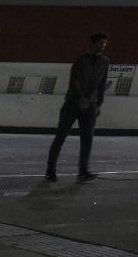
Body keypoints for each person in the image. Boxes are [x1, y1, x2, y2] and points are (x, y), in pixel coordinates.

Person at [46, 32, 111, 182]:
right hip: (73, 103)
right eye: (101, 43)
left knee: (87, 138)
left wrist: (98, 103)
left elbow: (102, 84)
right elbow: (74, 81)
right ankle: (50, 170)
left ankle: (83, 171)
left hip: (91, 105)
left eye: (105, 43)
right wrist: (81, 98)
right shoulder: (80, 60)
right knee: (61, 136)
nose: (103, 46)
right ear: (93, 43)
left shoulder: (105, 62)